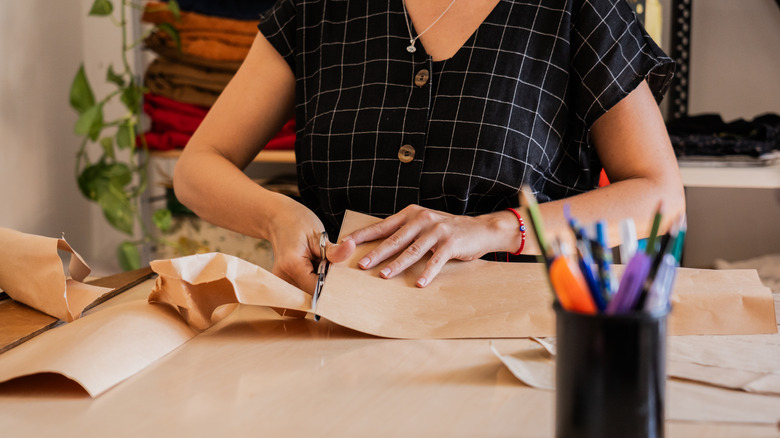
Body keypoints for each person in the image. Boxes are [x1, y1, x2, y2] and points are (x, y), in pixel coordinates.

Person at [173, 0, 685, 294]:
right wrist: (277, 217)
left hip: (517, 348)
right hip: (335, 344)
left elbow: (660, 198)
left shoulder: (577, 8)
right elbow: (197, 167)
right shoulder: (317, 8)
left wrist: (494, 228)